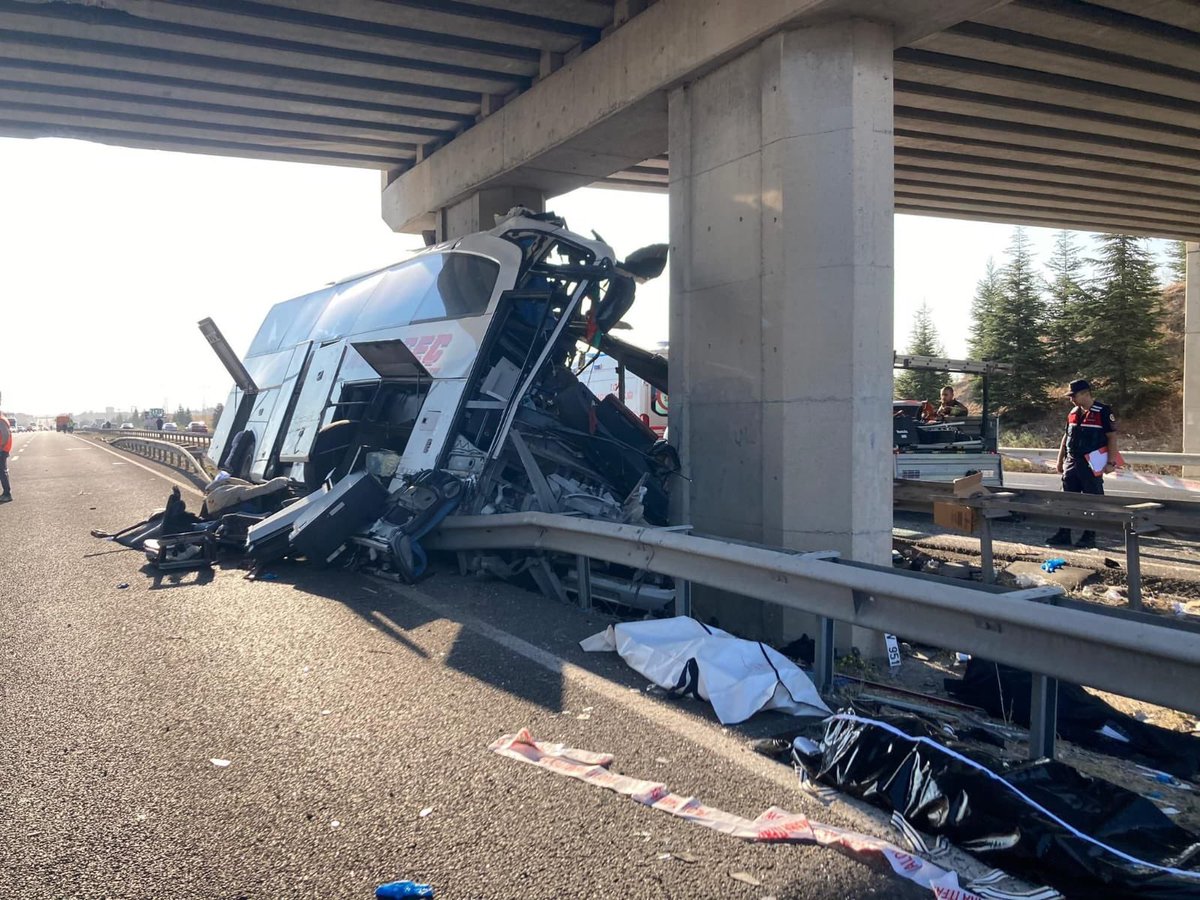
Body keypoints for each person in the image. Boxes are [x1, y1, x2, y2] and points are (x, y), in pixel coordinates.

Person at [1047, 379, 1117, 549]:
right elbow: (1066, 437)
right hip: (1072, 461)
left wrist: (1111, 462)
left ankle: (1089, 535)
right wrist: (1060, 460)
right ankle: (1064, 533)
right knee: (1067, 498)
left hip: (1092, 461)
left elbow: (1112, 437)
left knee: (1091, 499)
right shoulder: (1073, 412)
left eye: (1074, 395)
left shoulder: (1103, 411)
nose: (1071, 399)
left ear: (1086, 393)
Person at [0, 413, 12, 503]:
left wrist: (1, 447)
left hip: (2, 449)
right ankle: (6, 493)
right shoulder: (2, 419)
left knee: (2, 471)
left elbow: (5, 435)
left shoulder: (1, 420)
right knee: (2, 471)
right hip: (3, 448)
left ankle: (7, 494)